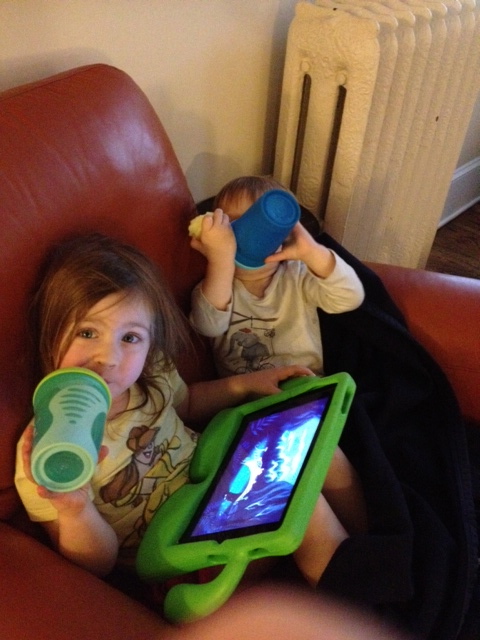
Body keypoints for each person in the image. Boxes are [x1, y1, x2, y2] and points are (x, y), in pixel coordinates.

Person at [14, 233, 362, 594]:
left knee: (320, 451)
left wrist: (249, 384)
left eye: (130, 338)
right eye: (87, 332)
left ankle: (370, 544)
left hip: (216, 486)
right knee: (301, 504)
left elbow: (190, 403)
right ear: (50, 334)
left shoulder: (152, 372)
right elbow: (98, 566)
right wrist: (75, 511)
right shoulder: (48, 451)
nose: (109, 358)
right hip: (181, 559)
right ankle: (359, 599)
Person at [189, 175, 365, 378]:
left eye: (264, 228)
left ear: (284, 237)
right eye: (236, 223)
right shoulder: (216, 285)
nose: (250, 236)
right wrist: (221, 260)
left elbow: (350, 298)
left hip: (305, 386)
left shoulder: (297, 276)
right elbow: (208, 327)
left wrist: (313, 253)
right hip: (246, 392)